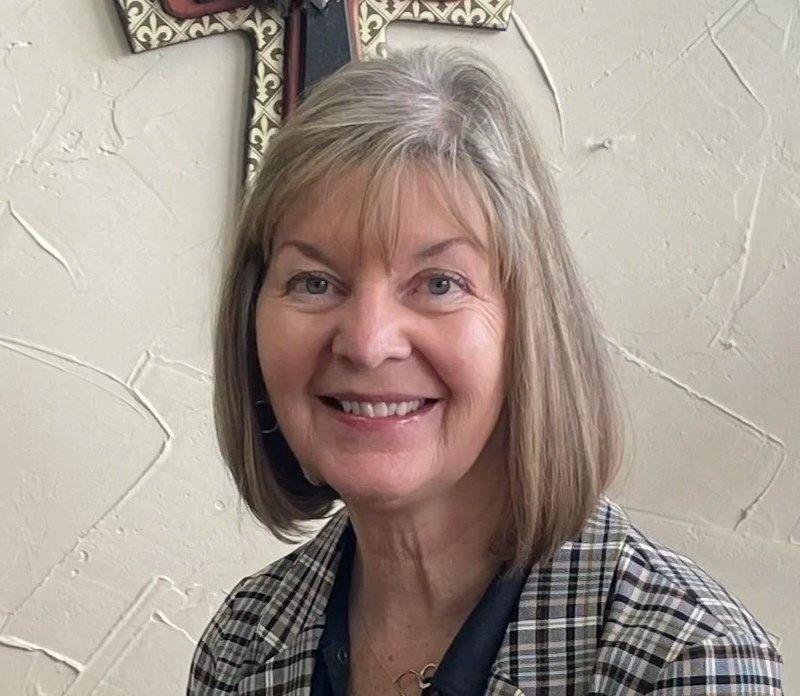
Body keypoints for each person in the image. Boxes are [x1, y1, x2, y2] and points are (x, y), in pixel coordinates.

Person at [188, 46, 783, 696]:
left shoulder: (687, 662)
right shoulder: (243, 643)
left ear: (531, 324)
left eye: (439, 283)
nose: (367, 343)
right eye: (314, 281)